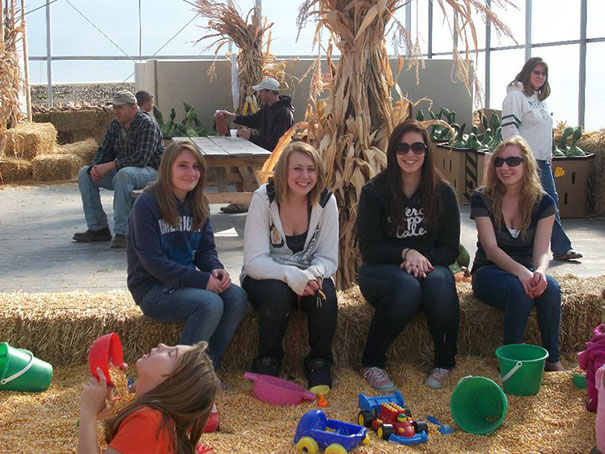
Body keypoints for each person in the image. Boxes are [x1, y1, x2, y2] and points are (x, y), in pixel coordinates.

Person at [357, 119, 460, 391]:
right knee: (407, 286)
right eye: (402, 148)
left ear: (427, 151)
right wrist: (406, 252)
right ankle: (372, 362)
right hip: (380, 270)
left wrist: (420, 260)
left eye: (417, 147)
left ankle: (445, 362)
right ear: (392, 152)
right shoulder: (374, 192)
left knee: (439, 281)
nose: (410, 154)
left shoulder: (443, 193)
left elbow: (450, 249)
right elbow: (369, 249)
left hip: (428, 266)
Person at [127, 141, 248, 369]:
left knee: (237, 297)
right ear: (167, 169)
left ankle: (206, 369)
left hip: (184, 283)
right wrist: (203, 281)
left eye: (196, 167)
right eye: (182, 166)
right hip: (152, 288)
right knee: (209, 303)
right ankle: (183, 375)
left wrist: (215, 269)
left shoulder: (198, 202)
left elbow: (205, 250)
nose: (191, 173)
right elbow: (153, 262)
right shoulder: (147, 204)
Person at [241, 141, 338, 388]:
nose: (305, 176)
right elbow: (254, 261)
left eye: (311, 169)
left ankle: (319, 362)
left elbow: (328, 257)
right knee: (277, 295)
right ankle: (267, 360)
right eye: (297, 169)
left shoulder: (326, 201)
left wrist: (313, 274)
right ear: (284, 170)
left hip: (308, 272)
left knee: (324, 296)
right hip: (267, 273)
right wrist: (289, 275)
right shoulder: (263, 198)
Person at [470, 136, 565, 372]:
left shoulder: (544, 202)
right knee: (519, 290)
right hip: (488, 272)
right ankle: (511, 361)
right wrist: (522, 273)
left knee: (551, 288)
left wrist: (540, 272)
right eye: (499, 162)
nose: (504, 167)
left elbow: (542, 251)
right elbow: (491, 250)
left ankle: (553, 360)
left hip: (525, 270)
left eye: (513, 161)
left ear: (527, 164)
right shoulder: (482, 198)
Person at [502, 57, 582, 262]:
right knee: (537, 204)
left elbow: (543, 132)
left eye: (543, 73)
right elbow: (509, 130)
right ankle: (552, 248)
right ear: (527, 73)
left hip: (542, 160)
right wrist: (518, 158)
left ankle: (557, 248)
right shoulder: (516, 97)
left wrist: (548, 157)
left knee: (547, 203)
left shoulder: (540, 101)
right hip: (526, 161)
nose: (540, 76)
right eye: (536, 72)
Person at [78, 341, 218, 454]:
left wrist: (87, 414)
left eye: (170, 354)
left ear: (173, 384)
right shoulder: (157, 417)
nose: (162, 345)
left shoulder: (148, 420)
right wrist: (107, 407)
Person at [73, 90, 164, 248]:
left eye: (120, 108)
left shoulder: (148, 125)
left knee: (124, 175)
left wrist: (111, 165)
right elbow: (105, 150)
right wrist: (95, 167)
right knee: (84, 174)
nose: (116, 111)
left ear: (133, 108)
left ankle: (124, 232)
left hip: (151, 172)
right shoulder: (116, 125)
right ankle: (98, 228)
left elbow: (141, 159)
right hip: (127, 170)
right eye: (114, 108)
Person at [217, 77, 294, 214]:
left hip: (275, 157)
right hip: (261, 149)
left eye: (261, 92)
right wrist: (232, 116)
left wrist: (250, 137)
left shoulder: (284, 113)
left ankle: (250, 201)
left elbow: (275, 144)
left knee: (241, 163)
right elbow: (252, 120)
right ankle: (241, 200)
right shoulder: (267, 109)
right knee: (236, 163)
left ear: (270, 93)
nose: (259, 94)